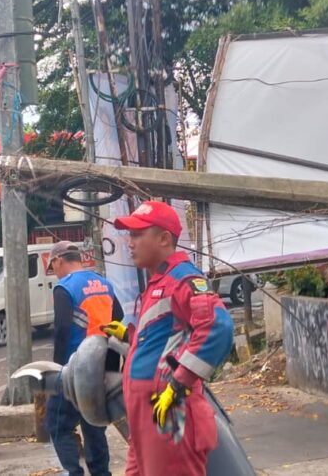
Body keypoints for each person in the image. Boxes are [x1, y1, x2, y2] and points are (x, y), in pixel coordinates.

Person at [100, 201, 234, 476]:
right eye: (129, 235)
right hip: (146, 418)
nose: (130, 242)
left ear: (163, 239)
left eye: (137, 234)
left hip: (169, 415)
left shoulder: (182, 280)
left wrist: (178, 383)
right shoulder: (160, 282)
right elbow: (168, 341)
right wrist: (130, 336)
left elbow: (218, 328)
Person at [46, 241, 123, 476]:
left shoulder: (65, 287)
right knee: (94, 425)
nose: (54, 271)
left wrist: (57, 372)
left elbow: (61, 331)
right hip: (100, 369)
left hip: (75, 369)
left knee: (57, 425)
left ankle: (73, 472)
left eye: (52, 266)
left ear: (60, 260)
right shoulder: (104, 283)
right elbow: (117, 316)